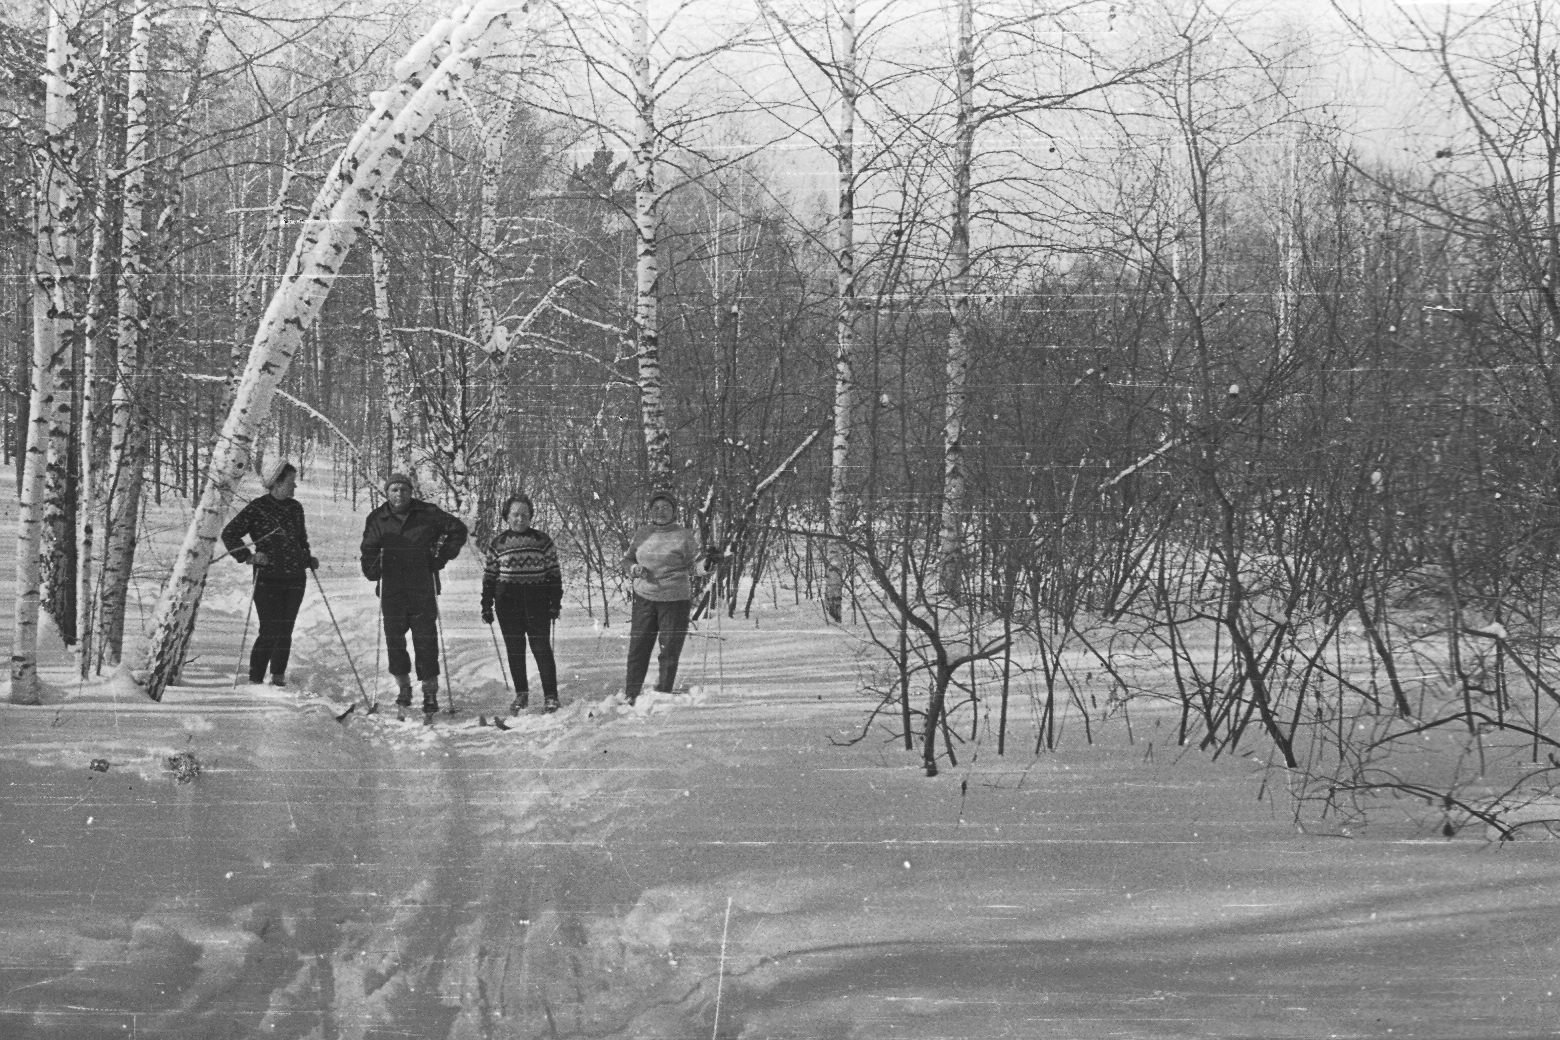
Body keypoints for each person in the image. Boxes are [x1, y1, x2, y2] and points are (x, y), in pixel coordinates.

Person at [359, 472, 468, 713]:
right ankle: (403, 687)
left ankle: (430, 691)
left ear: (411, 492)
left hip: (422, 586)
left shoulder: (427, 512)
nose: (399, 494)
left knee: (426, 640)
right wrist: (373, 569)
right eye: (394, 490)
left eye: (404, 489)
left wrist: (440, 556)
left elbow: (458, 530)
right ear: (387, 493)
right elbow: (368, 550)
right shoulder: (377, 518)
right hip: (392, 589)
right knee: (394, 640)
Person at [221, 460, 318, 687]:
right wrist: (248, 556)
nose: (295, 487)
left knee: (286, 629)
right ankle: (255, 679)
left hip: (295, 578)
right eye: (291, 482)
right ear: (277, 483)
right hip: (267, 579)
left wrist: (307, 558)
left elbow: (300, 540)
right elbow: (229, 533)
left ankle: (278, 677)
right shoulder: (258, 507)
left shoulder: (295, 508)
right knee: (270, 629)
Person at [621, 489, 720, 704]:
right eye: (656, 508)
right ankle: (631, 694)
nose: (661, 511)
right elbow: (627, 560)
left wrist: (708, 563)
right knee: (638, 648)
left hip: (675, 600)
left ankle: (663, 693)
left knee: (669, 650)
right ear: (650, 511)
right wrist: (634, 569)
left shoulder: (683, 535)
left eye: (666, 507)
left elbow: (695, 566)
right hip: (644, 598)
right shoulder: (642, 533)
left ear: (674, 511)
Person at [481, 493, 563, 713]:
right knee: (515, 650)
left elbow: (554, 574)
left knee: (541, 648)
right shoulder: (498, 544)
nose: (520, 519)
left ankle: (551, 696)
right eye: (515, 514)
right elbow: (489, 577)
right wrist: (486, 605)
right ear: (507, 516)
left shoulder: (542, 541)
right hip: (508, 604)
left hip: (537, 602)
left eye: (524, 515)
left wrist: (555, 602)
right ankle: (521, 694)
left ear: (531, 516)